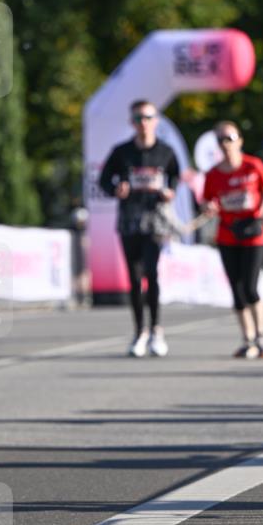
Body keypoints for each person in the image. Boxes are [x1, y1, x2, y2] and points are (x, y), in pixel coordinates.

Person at [99, 99, 179, 357]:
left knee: (152, 274)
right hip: (129, 220)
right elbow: (103, 180)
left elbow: (175, 176)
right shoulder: (121, 152)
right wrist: (115, 189)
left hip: (155, 219)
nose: (143, 123)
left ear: (155, 120)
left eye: (147, 118)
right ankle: (139, 332)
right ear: (131, 123)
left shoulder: (165, 152)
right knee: (134, 279)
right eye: (137, 119)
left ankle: (156, 329)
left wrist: (170, 191)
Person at [202, 122, 263, 358]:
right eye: (220, 140)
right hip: (228, 234)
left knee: (250, 285)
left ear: (240, 141)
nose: (225, 144)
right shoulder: (213, 174)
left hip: (254, 233)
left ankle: (262, 336)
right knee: (236, 289)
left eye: (230, 138)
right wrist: (208, 207)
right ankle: (248, 339)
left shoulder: (252, 165)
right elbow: (206, 200)